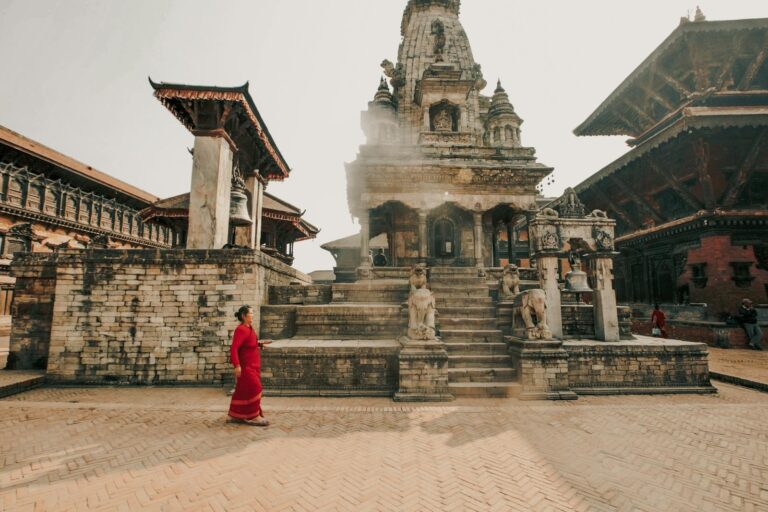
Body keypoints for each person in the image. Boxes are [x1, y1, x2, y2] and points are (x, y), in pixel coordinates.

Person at [227, 305, 272, 425]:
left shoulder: (249, 328)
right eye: (250, 313)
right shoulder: (241, 329)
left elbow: (248, 343)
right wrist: (236, 365)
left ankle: (235, 415)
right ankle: (253, 416)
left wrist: (258, 344)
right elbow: (234, 348)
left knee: (242, 390)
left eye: (252, 313)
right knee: (256, 388)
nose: (252, 315)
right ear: (243, 316)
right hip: (246, 367)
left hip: (254, 366)